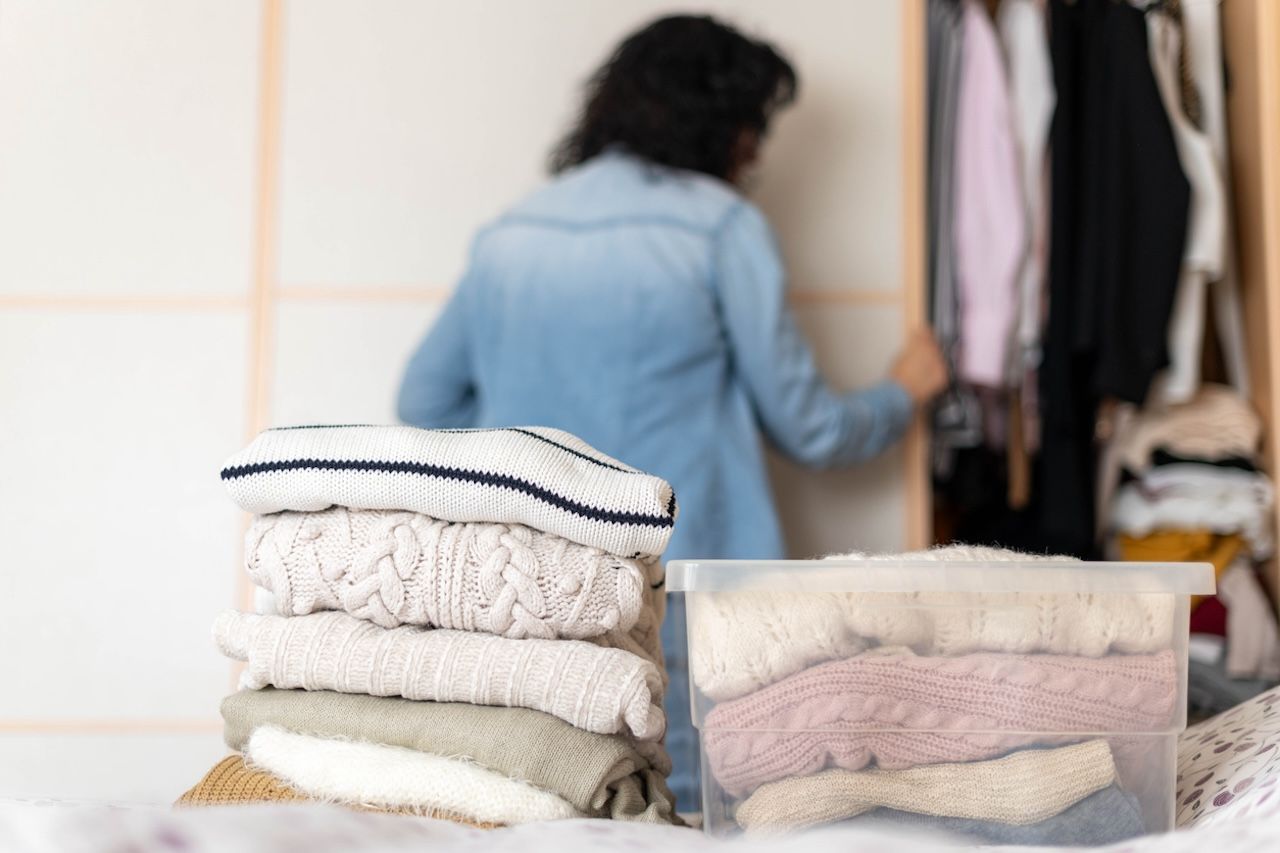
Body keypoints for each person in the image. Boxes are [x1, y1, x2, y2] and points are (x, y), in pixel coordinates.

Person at [396, 14, 947, 812]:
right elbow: (812, 428)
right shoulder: (720, 228)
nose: (756, 151)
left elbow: (423, 401)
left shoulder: (512, 235)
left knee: (545, 804)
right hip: (684, 588)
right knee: (686, 810)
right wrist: (903, 388)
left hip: (531, 592)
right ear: (722, 122)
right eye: (756, 127)